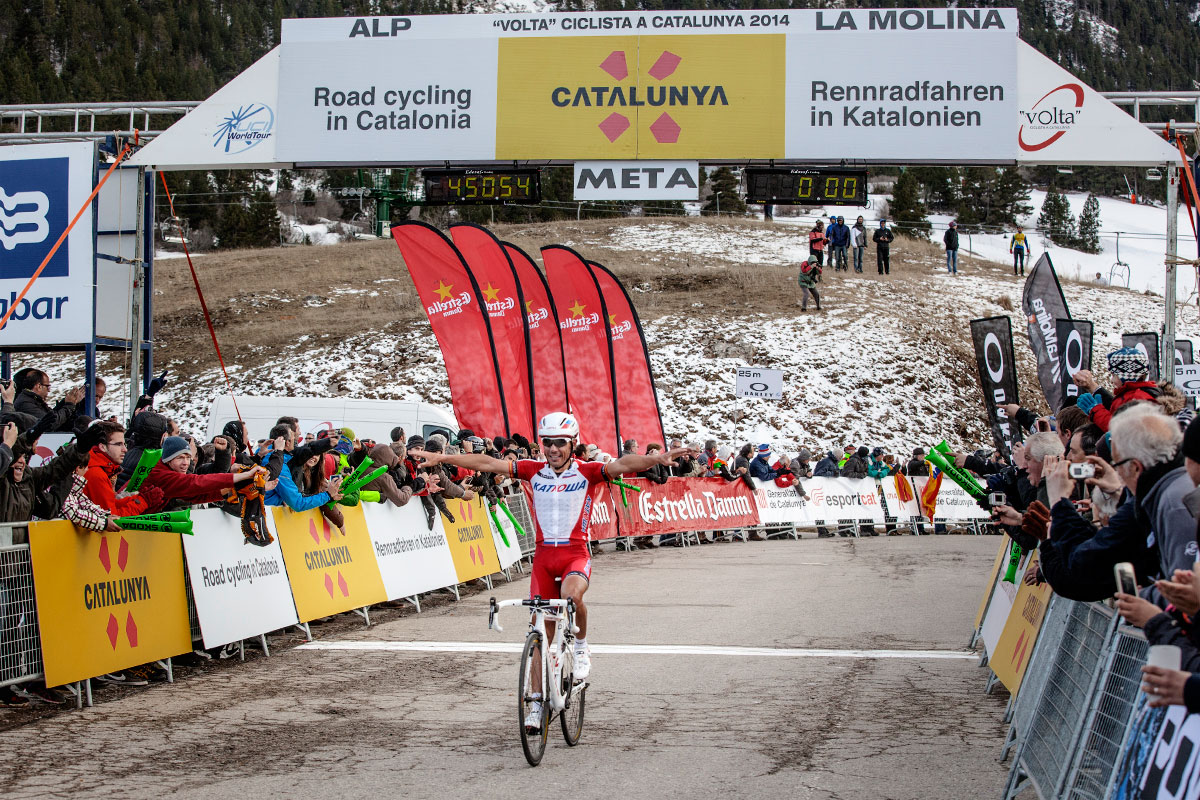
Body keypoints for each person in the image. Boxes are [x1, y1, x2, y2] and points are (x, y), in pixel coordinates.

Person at [413, 411, 686, 714]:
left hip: (575, 554)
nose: (553, 449)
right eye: (547, 443)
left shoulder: (588, 471)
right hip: (543, 559)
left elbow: (623, 464)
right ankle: (535, 704)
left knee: (571, 597)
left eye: (559, 443)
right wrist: (443, 460)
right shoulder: (533, 469)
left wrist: (656, 459)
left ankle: (581, 647)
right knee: (539, 635)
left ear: (573, 444)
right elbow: (487, 463)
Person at [1074, 348, 1161, 432]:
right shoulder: (1135, 394)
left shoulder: (1137, 398)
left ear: (1126, 376)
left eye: (1114, 375)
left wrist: (1095, 410)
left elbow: (1120, 429)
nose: (1112, 380)